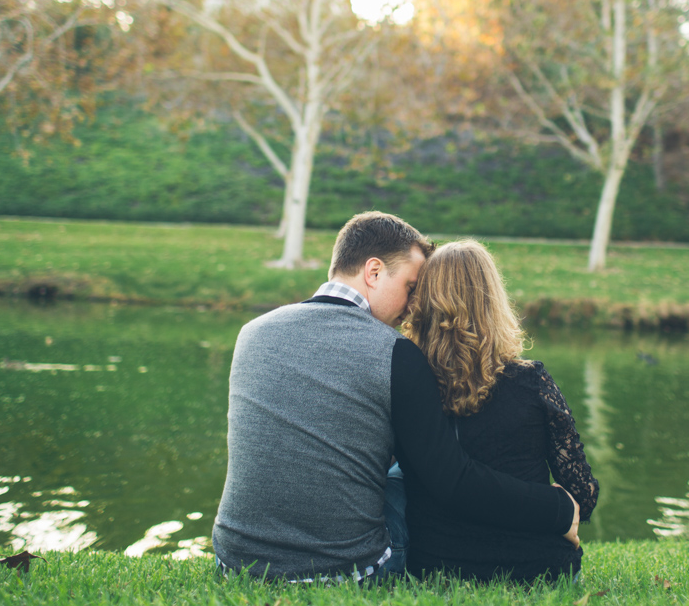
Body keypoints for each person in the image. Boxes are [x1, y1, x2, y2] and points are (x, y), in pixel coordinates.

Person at [212, 211, 579, 583]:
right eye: (410, 287)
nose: (412, 305)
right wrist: (557, 507)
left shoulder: (252, 333)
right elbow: (449, 478)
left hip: (235, 562)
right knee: (405, 475)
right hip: (346, 570)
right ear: (373, 272)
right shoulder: (395, 352)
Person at [400, 239, 599, 583]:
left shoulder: (409, 384)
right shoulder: (531, 381)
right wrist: (554, 503)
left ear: (425, 304)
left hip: (438, 565)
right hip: (538, 566)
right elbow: (583, 493)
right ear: (492, 299)